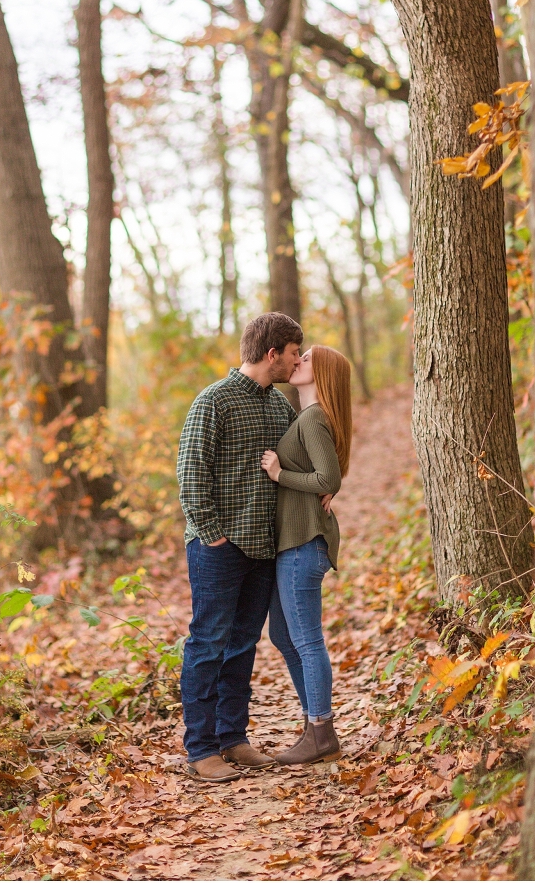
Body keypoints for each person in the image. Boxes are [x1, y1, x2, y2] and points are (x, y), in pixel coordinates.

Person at [177, 312, 303, 783]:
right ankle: (201, 747)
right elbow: (191, 476)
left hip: (264, 548)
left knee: (243, 644)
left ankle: (232, 737)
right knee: (208, 643)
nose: (296, 362)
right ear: (272, 353)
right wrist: (212, 533)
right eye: (293, 354)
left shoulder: (278, 406)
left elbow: (296, 461)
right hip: (218, 547)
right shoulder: (213, 401)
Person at [261, 345, 352, 765]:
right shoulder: (306, 416)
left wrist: (280, 475)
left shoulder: (315, 417)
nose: (298, 361)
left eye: (308, 358)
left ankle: (321, 730)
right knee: (283, 635)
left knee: (306, 640)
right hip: (295, 544)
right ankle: (314, 722)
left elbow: (327, 477)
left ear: (324, 374)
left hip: (304, 544)